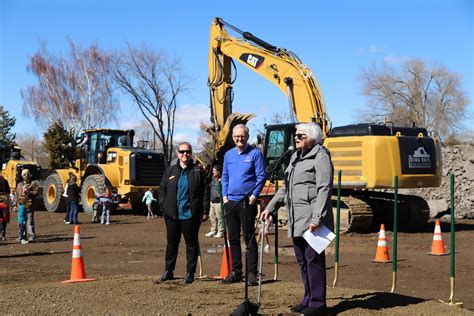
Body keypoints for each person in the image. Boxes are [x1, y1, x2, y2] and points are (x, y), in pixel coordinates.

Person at [260, 122, 334, 316]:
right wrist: (270, 207)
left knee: (313, 260)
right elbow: (285, 187)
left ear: (312, 138)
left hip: (311, 219)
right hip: (296, 218)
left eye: (301, 135)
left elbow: (324, 188)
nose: (296, 138)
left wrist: (317, 217)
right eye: (296, 135)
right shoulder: (294, 157)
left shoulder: (321, 156)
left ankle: (318, 304)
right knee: (302, 260)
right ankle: (308, 298)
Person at [157, 142, 210, 285]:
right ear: (177, 153)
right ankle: (168, 271)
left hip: (190, 214)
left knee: (191, 244)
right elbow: (162, 190)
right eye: (182, 151)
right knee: (172, 243)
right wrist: (164, 206)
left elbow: (205, 192)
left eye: (187, 151)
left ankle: (190, 273)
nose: (185, 154)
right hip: (172, 214)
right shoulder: (170, 171)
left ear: (191, 153)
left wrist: (205, 210)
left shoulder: (198, 171)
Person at [221, 124, 267, 286]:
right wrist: (225, 196)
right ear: (232, 137)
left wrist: (254, 196)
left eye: (242, 136)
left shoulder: (255, 154)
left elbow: (261, 176)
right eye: (236, 136)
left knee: (249, 237)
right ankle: (236, 271)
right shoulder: (228, 155)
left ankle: (252, 273)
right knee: (232, 238)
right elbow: (225, 176)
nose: (239, 139)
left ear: (247, 136)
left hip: (247, 202)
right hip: (230, 202)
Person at [16, 169, 39, 242]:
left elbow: (37, 192)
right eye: (25, 174)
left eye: (27, 174)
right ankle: (21, 236)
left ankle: (31, 236)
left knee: (30, 221)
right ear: (22, 176)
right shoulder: (19, 184)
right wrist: (15, 204)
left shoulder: (33, 183)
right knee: (21, 221)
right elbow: (17, 194)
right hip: (21, 204)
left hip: (30, 204)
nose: (26, 176)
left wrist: (29, 192)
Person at [205, 164, 224, 238]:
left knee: (220, 218)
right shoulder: (212, 179)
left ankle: (220, 231)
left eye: (214, 171)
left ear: (219, 172)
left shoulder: (222, 180)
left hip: (219, 202)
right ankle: (213, 230)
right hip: (212, 202)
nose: (213, 172)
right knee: (212, 217)